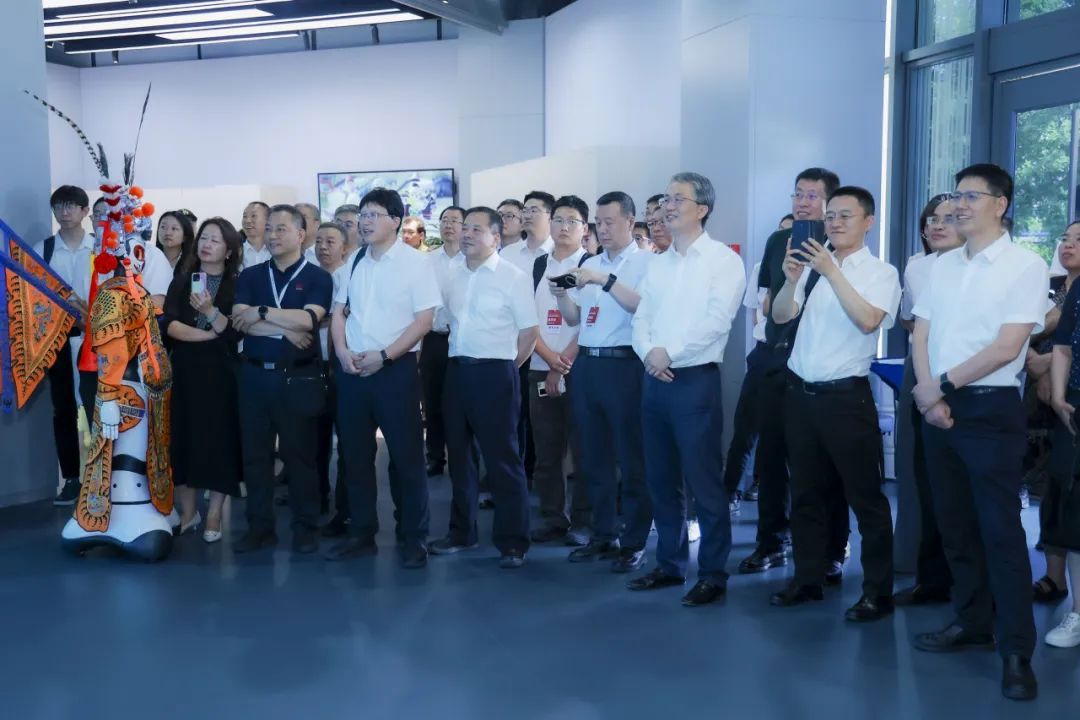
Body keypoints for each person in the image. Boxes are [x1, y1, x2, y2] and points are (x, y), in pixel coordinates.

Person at [910, 163, 1046, 701]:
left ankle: (1016, 651)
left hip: (989, 409)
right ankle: (971, 622)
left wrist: (939, 387)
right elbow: (920, 334)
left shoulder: (1024, 264)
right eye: (955, 195)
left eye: (971, 196)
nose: (958, 206)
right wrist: (929, 393)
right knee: (955, 526)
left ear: (1000, 204)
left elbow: (1007, 347)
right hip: (936, 405)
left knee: (1000, 532)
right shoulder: (941, 265)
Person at [767, 186, 900, 621]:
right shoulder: (811, 267)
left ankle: (877, 592)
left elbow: (868, 321)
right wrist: (792, 280)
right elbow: (781, 315)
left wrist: (831, 271)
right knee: (805, 494)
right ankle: (807, 578)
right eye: (831, 216)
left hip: (846, 399)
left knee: (865, 498)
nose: (835, 223)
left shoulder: (881, 273)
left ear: (868, 222)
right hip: (800, 396)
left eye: (846, 215)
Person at [628, 172, 745, 607]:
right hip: (654, 379)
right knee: (660, 479)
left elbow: (717, 321)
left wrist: (669, 354)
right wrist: (649, 354)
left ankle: (712, 573)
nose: (668, 206)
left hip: (694, 380)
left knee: (703, 482)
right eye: (666, 198)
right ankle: (670, 564)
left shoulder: (722, 260)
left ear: (703, 209)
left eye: (679, 199)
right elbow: (642, 319)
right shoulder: (658, 263)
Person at [741, 167, 849, 579]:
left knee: (825, 463)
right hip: (775, 359)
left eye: (812, 196)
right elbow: (768, 301)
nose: (802, 202)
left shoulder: (840, 246)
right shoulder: (777, 242)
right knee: (770, 458)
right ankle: (771, 542)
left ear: (830, 203)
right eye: (797, 194)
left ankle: (833, 548)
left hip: (821, 366)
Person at [325, 188, 439, 569]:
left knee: (407, 458)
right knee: (355, 457)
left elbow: (424, 321)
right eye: (363, 214)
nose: (366, 221)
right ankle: (362, 533)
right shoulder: (354, 262)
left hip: (395, 371)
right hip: (353, 371)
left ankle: (413, 536)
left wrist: (385, 356)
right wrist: (342, 352)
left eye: (374, 214)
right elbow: (339, 313)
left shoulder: (416, 264)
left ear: (395, 220)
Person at [60, 181, 174, 562]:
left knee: (140, 444)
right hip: (112, 378)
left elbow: (149, 318)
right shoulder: (105, 279)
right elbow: (106, 339)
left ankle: (143, 506)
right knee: (111, 445)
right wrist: (108, 394)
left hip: (141, 376)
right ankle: (106, 512)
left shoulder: (138, 277)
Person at [431, 206, 539, 569]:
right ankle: (462, 533)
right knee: (459, 458)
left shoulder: (513, 277)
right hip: (457, 371)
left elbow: (529, 332)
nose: (467, 234)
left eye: (476, 229)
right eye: (465, 228)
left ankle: (513, 542)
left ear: (496, 236)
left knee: (502, 459)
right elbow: (442, 321)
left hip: (495, 373)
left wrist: (507, 369)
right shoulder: (453, 275)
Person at [556, 191, 654, 572]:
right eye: (599, 222)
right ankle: (602, 534)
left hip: (625, 365)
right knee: (592, 457)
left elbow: (643, 305)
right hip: (588, 365)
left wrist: (605, 280)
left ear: (630, 222)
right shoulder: (591, 262)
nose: (603, 229)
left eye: (610, 222)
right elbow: (574, 318)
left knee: (631, 458)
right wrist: (562, 295)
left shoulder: (646, 262)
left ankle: (634, 540)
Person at [231, 204, 333, 555]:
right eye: (270, 228)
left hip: (296, 377)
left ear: (301, 234)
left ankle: (306, 527)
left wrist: (261, 313)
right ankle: (259, 528)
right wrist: (286, 327)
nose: (272, 235)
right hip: (254, 375)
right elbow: (239, 319)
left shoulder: (319, 277)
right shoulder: (251, 275)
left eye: (280, 229)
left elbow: (310, 320)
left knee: (300, 456)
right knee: (255, 457)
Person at [892, 195, 963, 607]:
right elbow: (910, 319)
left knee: (965, 482)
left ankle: (971, 584)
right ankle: (929, 577)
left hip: (968, 374)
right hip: (921, 371)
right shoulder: (918, 267)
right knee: (920, 473)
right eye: (931, 219)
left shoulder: (988, 267)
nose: (937, 225)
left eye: (947, 219)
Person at [164, 218, 243, 543]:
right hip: (185, 370)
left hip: (222, 374)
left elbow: (234, 332)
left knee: (219, 441)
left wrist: (211, 312)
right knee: (182, 440)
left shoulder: (237, 285)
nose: (207, 245)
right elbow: (169, 324)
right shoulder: (183, 281)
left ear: (229, 250)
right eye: (204, 238)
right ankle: (189, 512)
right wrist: (209, 334)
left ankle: (214, 513)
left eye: (215, 240)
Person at [528, 195, 592, 546]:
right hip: (539, 366)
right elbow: (527, 320)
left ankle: (583, 522)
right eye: (558, 220)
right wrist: (549, 359)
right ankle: (554, 517)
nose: (564, 227)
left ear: (585, 228)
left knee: (584, 452)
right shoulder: (539, 265)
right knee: (547, 452)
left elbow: (591, 324)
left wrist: (562, 364)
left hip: (580, 371)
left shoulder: (591, 266)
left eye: (572, 221)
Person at [37, 186, 94, 506]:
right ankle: (71, 478)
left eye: (72, 205)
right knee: (63, 408)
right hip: (57, 339)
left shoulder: (99, 247)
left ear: (85, 211)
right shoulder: (43, 250)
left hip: (96, 339)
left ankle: (103, 477)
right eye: (59, 206)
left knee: (99, 406)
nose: (65, 211)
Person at [1036, 221, 1080, 608]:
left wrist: (1047, 365)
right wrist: (1037, 366)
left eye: (1079, 240)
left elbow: (1062, 345)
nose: (1069, 245)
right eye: (1065, 238)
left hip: (1062, 390)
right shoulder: (1047, 287)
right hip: (1038, 400)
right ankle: (1054, 577)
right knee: (1053, 485)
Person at [502, 190, 556, 483]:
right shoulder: (508, 255)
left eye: (534, 209)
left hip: (550, 354)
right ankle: (514, 480)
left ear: (550, 216)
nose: (527, 214)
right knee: (514, 420)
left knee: (544, 424)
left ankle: (538, 479)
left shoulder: (560, 253)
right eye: (525, 209)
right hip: (514, 350)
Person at [1046, 237, 1080, 648]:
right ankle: (1077, 614)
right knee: (1075, 515)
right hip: (1076, 406)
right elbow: (1063, 346)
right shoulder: (1077, 290)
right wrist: (1057, 396)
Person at [421, 205, 466, 477]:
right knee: (432, 399)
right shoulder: (427, 261)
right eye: (444, 220)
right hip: (434, 339)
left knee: (460, 402)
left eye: (455, 220)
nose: (448, 225)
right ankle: (435, 456)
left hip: (463, 341)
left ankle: (462, 458)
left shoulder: (471, 260)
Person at [722, 258, 769, 510]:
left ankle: (764, 486)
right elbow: (754, 314)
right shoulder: (762, 268)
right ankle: (731, 491)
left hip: (796, 358)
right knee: (744, 429)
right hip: (764, 354)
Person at [312, 221, 349, 529]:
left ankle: (345, 508)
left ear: (345, 248)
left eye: (330, 242)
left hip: (341, 366)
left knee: (347, 442)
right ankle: (317, 497)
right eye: (319, 241)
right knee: (314, 440)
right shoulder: (310, 277)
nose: (323, 247)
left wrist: (314, 319)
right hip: (310, 366)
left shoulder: (350, 277)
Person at [240, 201, 272, 270]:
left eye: (253, 216)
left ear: (268, 220)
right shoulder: (236, 252)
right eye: (244, 216)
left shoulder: (277, 250)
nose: (247, 221)